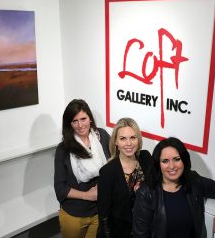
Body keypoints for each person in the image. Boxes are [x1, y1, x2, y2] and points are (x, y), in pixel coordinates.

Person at [133, 137, 215, 238]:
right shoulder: (145, 193)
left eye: (177, 159)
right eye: (165, 161)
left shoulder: (193, 181)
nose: (172, 166)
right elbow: (140, 235)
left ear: (184, 160)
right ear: (158, 164)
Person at [54, 99, 110, 238]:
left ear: (90, 118)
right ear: (69, 124)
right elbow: (60, 188)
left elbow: (113, 165)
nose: (80, 125)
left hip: (99, 211)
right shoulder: (63, 149)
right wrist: (87, 195)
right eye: (74, 121)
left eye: (83, 119)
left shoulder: (102, 136)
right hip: (74, 215)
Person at [97, 117, 152, 238]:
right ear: (116, 142)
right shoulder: (107, 171)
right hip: (119, 233)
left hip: (145, 230)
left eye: (133, 137)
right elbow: (104, 216)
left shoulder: (146, 158)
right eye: (123, 139)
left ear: (138, 140)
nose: (128, 143)